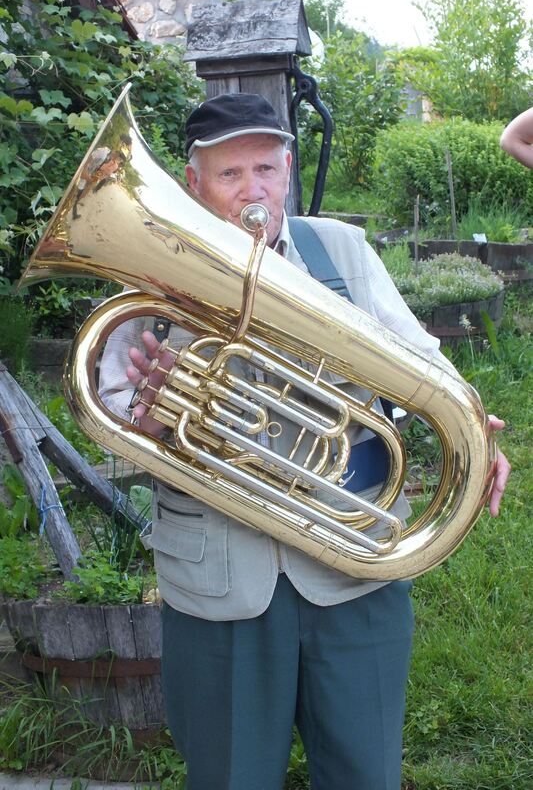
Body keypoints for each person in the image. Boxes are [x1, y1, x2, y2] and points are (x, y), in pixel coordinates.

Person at [98, 93, 510, 790]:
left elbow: (421, 358)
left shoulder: (339, 250)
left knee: (364, 773)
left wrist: (471, 422)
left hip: (353, 566)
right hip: (219, 583)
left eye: (265, 168)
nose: (252, 190)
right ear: (192, 182)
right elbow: (111, 439)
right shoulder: (147, 271)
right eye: (230, 175)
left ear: (287, 170)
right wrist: (149, 419)